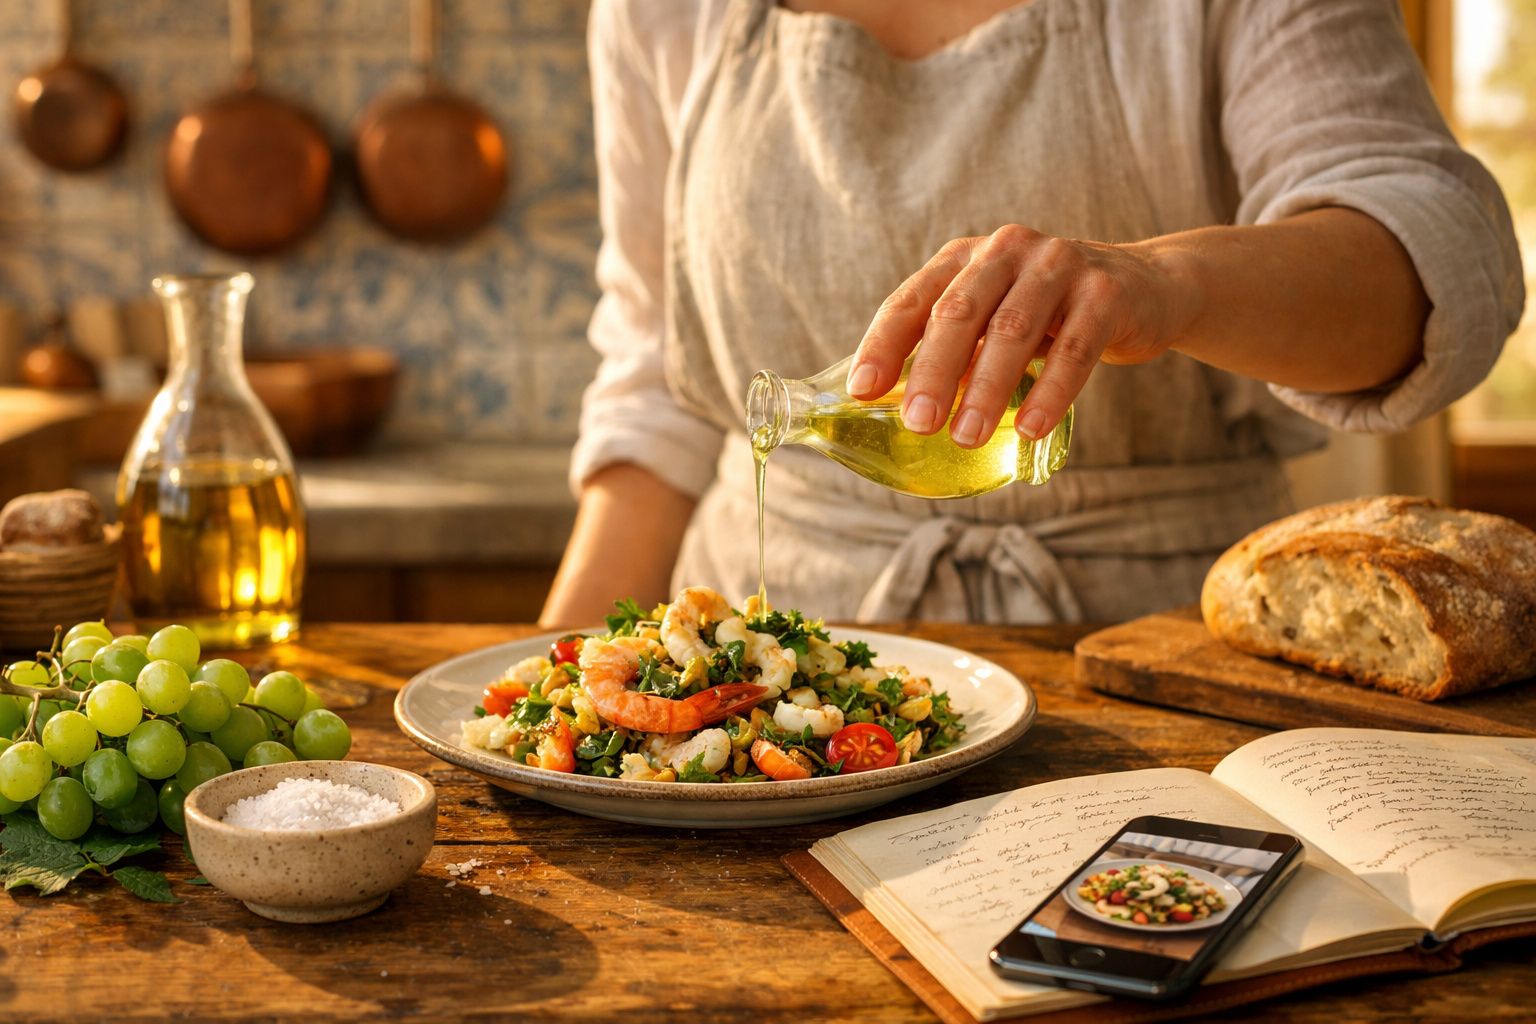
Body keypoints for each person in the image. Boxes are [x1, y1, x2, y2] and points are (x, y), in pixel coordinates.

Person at [540, 0, 1523, 627]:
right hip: (770, 653)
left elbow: (1439, 254)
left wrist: (1164, 282)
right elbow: (659, 385)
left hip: (1152, 654)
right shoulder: (657, 13)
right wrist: (541, 687)